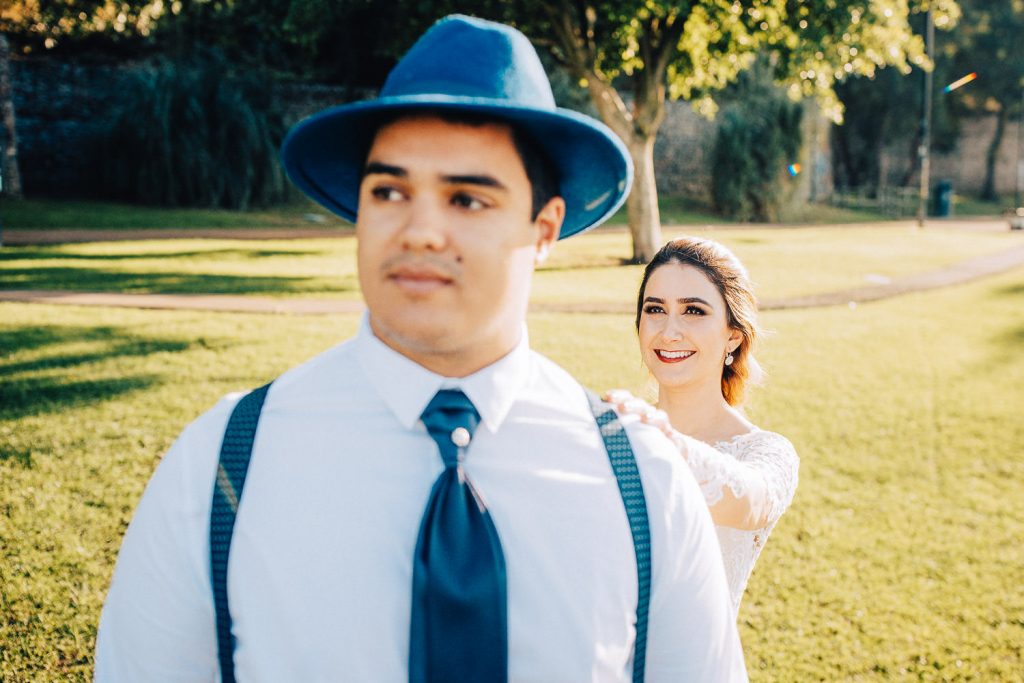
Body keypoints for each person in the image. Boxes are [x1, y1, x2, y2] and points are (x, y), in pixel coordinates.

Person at [94, 15, 747, 682]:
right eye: (390, 191)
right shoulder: (220, 466)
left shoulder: (644, 484)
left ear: (544, 228)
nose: (421, 229)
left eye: (467, 198)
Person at [609, 237, 799, 616]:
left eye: (693, 311)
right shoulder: (618, 433)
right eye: (655, 309)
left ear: (733, 335)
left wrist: (660, 443)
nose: (669, 331)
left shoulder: (766, 452)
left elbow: (751, 502)